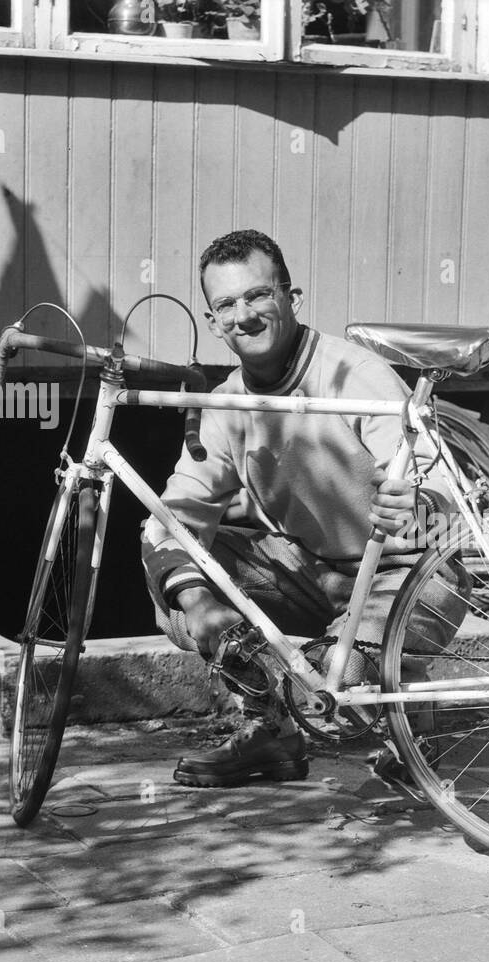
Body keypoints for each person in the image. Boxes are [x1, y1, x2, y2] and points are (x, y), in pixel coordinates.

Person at [141, 229, 463, 786]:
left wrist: (415, 498)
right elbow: (177, 516)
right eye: (226, 304)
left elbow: (439, 489)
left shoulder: (354, 375)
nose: (243, 315)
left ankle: (409, 719)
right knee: (177, 569)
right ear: (212, 321)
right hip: (310, 570)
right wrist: (198, 603)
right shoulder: (225, 406)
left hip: (408, 574)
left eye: (258, 295)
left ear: (292, 298)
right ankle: (270, 734)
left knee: (343, 674)